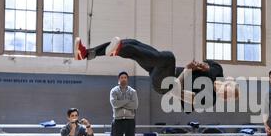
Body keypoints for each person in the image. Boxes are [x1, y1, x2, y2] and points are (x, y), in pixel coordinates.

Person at [74, 37, 238, 111]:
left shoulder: (210, 99)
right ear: (227, 82)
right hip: (160, 70)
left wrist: (188, 70)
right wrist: (203, 67)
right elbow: (208, 65)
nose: (222, 95)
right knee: (133, 43)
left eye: (225, 97)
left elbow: (177, 91)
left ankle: (119, 50)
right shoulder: (218, 71)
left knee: (168, 57)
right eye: (226, 91)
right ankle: (87, 54)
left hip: (165, 85)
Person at [108, 71, 139, 136]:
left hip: (130, 121)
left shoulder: (133, 91)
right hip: (118, 121)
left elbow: (135, 106)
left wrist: (122, 103)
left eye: (125, 77)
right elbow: (115, 104)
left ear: (127, 79)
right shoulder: (113, 91)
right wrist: (127, 101)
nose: (123, 79)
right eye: (121, 77)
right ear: (118, 80)